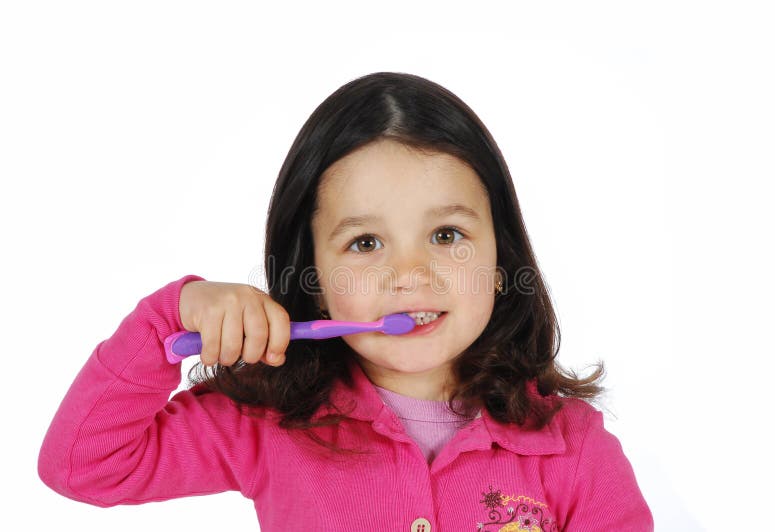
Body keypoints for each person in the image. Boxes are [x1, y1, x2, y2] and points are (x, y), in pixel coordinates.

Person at [38, 72, 653, 531]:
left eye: (446, 236)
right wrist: (174, 313)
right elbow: (84, 464)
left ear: (501, 265)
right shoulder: (266, 422)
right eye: (364, 243)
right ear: (313, 280)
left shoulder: (574, 448)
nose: (409, 273)